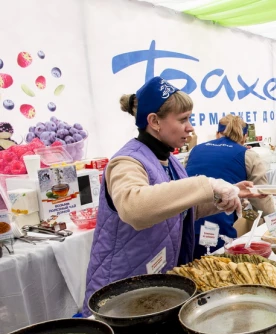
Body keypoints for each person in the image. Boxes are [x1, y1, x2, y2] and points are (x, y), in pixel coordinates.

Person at [83, 77, 258, 316]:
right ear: (154, 121)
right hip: (121, 294)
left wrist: (222, 196)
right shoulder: (126, 162)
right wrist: (206, 184)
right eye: (183, 119)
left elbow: (180, 211)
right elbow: (135, 208)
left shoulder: (170, 160)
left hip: (154, 288)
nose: (191, 127)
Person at [185, 114, 274, 255]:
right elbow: (261, 196)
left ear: (217, 133)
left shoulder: (194, 150)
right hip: (219, 226)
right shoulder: (248, 155)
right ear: (244, 137)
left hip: (186, 221)